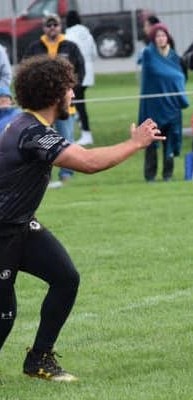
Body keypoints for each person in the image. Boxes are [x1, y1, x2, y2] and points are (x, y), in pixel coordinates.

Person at [0, 55, 163, 382]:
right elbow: (87, 162)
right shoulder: (31, 132)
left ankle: (39, 359)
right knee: (4, 313)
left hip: (20, 225)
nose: (73, 93)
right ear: (53, 93)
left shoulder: (29, 125)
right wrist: (135, 143)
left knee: (65, 277)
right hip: (2, 231)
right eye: (69, 87)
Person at [23, 13, 85, 189]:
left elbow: (80, 70)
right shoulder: (35, 48)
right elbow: (25, 72)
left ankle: (66, 174)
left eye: (55, 25)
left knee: (66, 140)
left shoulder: (71, 47)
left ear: (60, 26)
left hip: (65, 107)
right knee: (41, 142)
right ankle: (43, 176)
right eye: (48, 25)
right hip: (41, 108)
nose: (52, 28)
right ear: (44, 28)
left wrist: (72, 91)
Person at [138, 23, 188, 182]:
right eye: (158, 36)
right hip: (154, 107)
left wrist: (176, 81)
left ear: (168, 37)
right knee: (151, 140)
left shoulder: (174, 56)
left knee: (170, 140)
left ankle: (168, 174)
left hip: (172, 105)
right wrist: (174, 78)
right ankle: (150, 175)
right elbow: (159, 73)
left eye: (163, 35)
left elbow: (180, 76)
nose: (161, 39)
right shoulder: (148, 54)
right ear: (153, 39)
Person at [65, 10, 97, 146]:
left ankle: (86, 133)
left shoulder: (69, 35)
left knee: (78, 103)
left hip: (77, 73)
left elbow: (68, 56)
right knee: (76, 102)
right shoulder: (87, 33)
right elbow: (94, 53)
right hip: (89, 72)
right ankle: (81, 129)